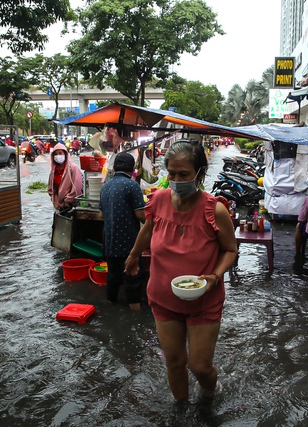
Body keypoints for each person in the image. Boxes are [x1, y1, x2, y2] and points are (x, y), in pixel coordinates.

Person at [124, 141, 238, 402]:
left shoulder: (215, 209)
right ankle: (182, 410)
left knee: (200, 366)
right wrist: (133, 256)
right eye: (171, 173)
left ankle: (211, 391)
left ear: (200, 173)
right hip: (164, 298)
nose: (175, 180)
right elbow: (148, 228)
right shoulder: (159, 200)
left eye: (183, 175)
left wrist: (214, 277)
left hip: (204, 300)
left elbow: (230, 250)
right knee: (174, 362)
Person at [100, 153, 146, 311]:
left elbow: (102, 212)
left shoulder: (105, 186)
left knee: (113, 276)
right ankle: (136, 317)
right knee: (132, 278)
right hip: (127, 242)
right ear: (133, 168)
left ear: (114, 167)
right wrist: (155, 225)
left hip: (109, 241)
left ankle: (110, 307)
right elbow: (141, 215)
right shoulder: (132, 186)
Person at [47, 144, 83, 212]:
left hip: (71, 205)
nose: (58, 156)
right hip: (58, 206)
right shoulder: (53, 171)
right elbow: (50, 188)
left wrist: (68, 200)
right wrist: (54, 199)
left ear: (65, 154)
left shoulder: (73, 168)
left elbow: (77, 187)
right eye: (56, 154)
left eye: (60, 153)